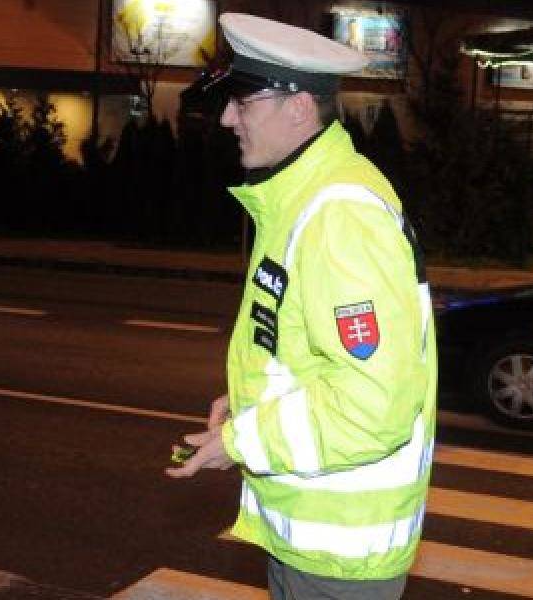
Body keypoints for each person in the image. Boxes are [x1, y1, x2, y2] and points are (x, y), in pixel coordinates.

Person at [167, 13, 437, 600]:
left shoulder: (338, 214)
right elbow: (305, 347)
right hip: (314, 532)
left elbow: (373, 405)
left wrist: (244, 441)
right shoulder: (300, 194)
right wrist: (249, 401)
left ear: (299, 107)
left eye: (243, 100)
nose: (227, 117)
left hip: (340, 552)